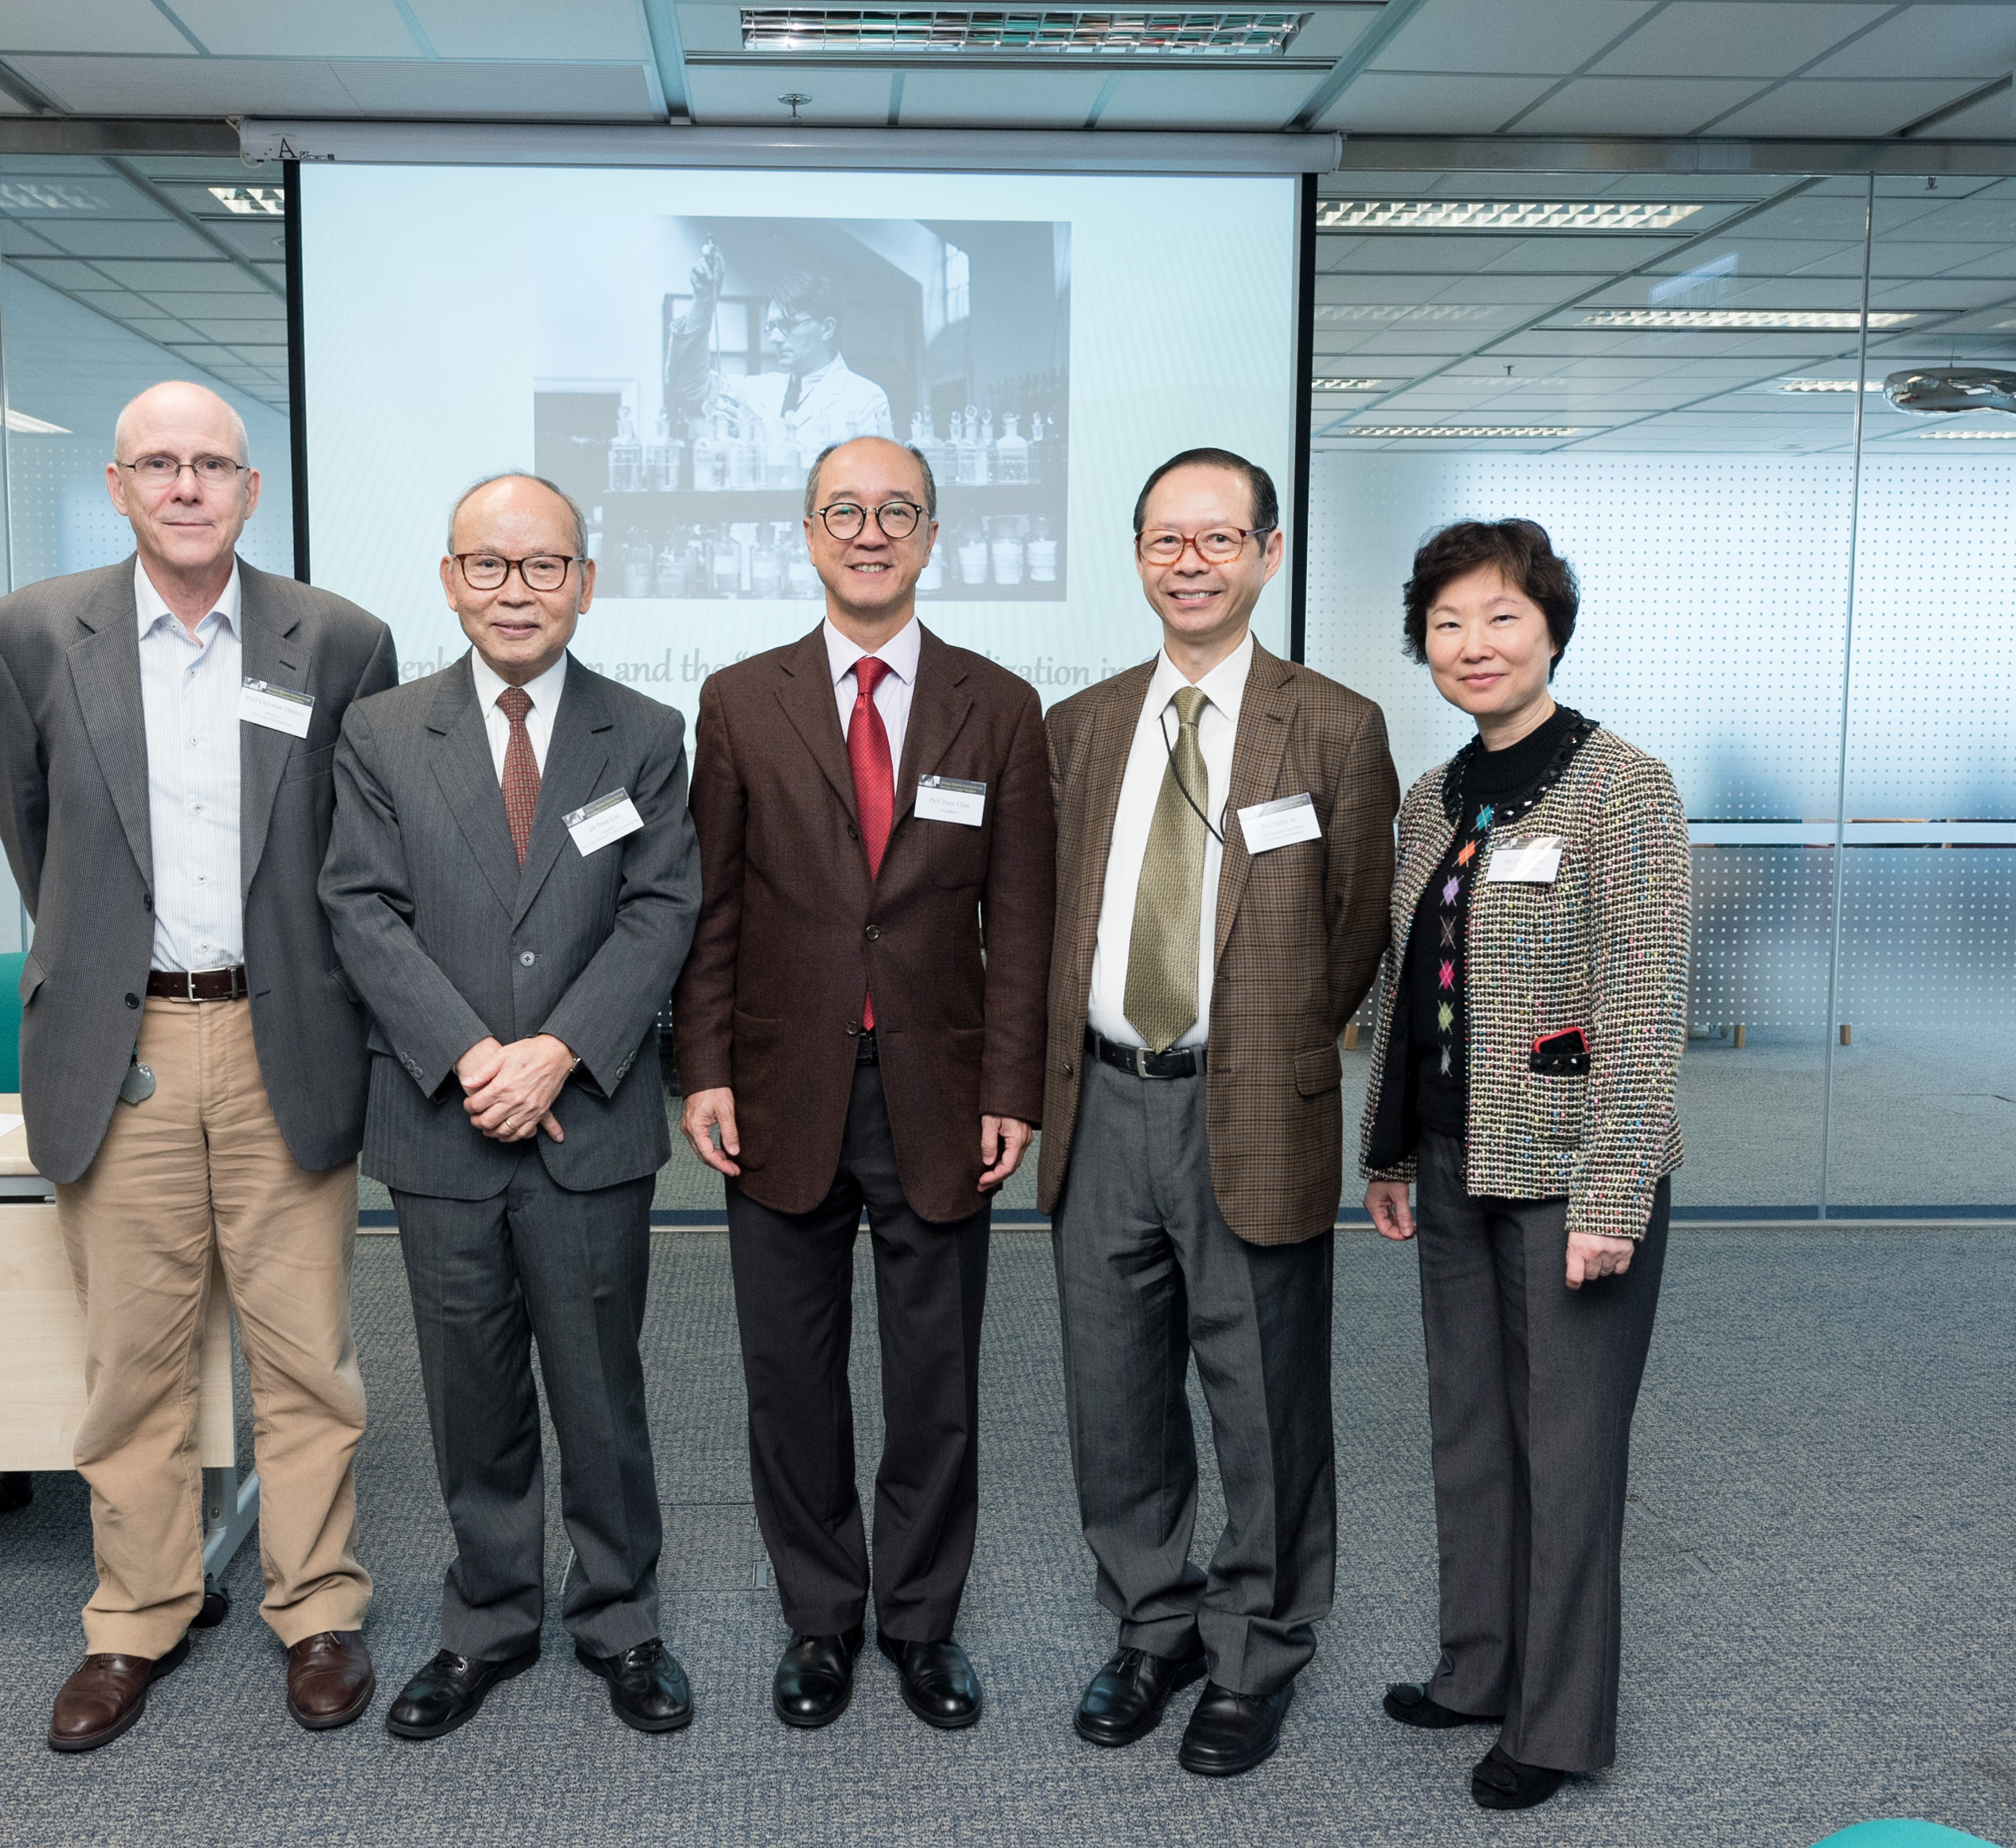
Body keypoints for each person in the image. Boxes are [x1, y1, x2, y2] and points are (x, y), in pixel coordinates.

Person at [0, 381, 397, 1752]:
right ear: (117, 485)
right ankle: (135, 1615)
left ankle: (316, 1603)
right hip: (125, 1039)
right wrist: (112, 973)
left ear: (250, 489)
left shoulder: (336, 640)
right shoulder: (29, 634)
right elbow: (37, 845)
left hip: (287, 1029)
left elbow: (356, 849)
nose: (188, 486)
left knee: (305, 1355)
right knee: (131, 1362)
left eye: (213, 464)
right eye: (159, 464)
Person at [673, 435, 1052, 1732]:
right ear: (809, 531)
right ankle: (821, 1618)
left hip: (942, 1091)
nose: (871, 530)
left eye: (898, 512)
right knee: (790, 1373)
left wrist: (1015, 1083)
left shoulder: (997, 705)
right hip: (779, 1085)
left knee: (936, 1377)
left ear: (933, 537)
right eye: (846, 509)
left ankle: (921, 1623)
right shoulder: (738, 699)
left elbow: (1023, 917)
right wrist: (704, 1066)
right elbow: (711, 904)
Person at [320, 473, 703, 1740]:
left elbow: (661, 909)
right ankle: (488, 1616)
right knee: (468, 1386)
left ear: (586, 582)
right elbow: (360, 906)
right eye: (489, 565)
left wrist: (557, 1052)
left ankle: (620, 1616)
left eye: (544, 567)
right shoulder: (382, 732)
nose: (516, 591)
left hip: (587, 1120)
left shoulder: (642, 731)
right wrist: (476, 1054)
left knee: (601, 1384)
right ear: (448, 579)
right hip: (441, 1118)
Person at [1037, 447, 1399, 1778]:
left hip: (1247, 1105)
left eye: (1216, 538)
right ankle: (1151, 1622)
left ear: (1267, 553)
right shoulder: (1076, 727)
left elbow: (1358, 925)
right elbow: (1040, 925)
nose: (1188, 561)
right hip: (1098, 1106)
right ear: (1136, 556)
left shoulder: (1336, 725)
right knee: (1113, 1396)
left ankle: (1255, 1648)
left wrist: (1266, 1046)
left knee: (1261, 1399)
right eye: (1163, 539)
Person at [1358, 518, 1689, 1812]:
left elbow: (1646, 998)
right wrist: (1382, 1151)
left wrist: (1613, 1195)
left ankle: (1554, 1723)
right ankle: (1476, 1666)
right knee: (1469, 1433)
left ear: (1548, 625)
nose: (1472, 645)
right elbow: (1405, 985)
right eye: (1446, 625)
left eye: (1498, 616)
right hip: (1448, 1160)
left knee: (1567, 1448)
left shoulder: (1621, 785)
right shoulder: (1435, 797)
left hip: (1570, 1177)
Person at [669, 245, 894, 454]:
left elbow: (863, 482)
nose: (775, 338)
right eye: (771, 327)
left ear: (826, 328)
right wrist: (703, 302)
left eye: (787, 325)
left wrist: (762, 439)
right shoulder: (759, 390)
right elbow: (689, 383)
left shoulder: (866, 399)